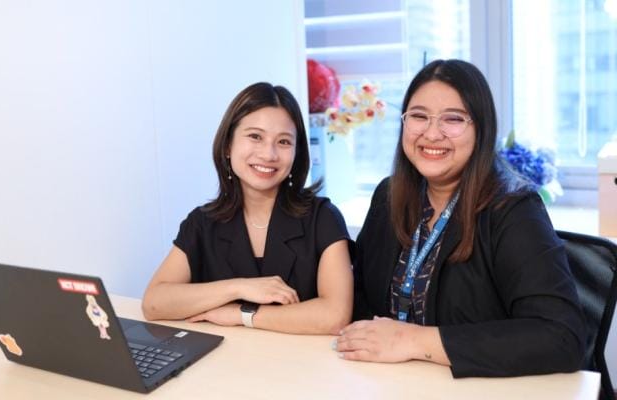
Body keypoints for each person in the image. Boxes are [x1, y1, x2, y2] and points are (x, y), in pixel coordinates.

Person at [334, 59, 586, 377]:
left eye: (452, 119)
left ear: (481, 129)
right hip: (395, 381)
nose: (431, 133)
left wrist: (413, 341)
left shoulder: (514, 210)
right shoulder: (389, 196)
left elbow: (561, 338)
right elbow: (359, 297)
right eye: (419, 116)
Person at [142, 82, 353, 335]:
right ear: (228, 146)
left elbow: (335, 316)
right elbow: (154, 303)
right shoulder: (202, 222)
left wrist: (241, 314)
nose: (269, 154)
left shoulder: (323, 217)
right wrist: (239, 287)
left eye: (284, 141)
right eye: (255, 136)